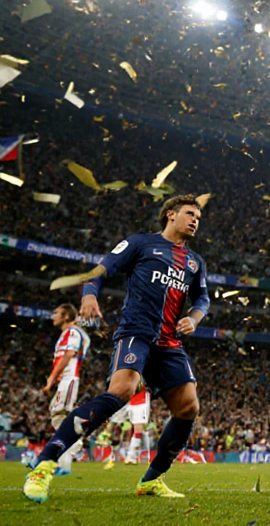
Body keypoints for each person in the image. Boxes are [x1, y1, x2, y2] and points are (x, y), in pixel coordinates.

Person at [23, 194, 210, 503]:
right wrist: (88, 296)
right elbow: (101, 269)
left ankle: (151, 480)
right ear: (171, 214)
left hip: (169, 342)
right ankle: (43, 466)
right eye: (190, 214)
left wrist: (194, 317)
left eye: (199, 218)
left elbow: (202, 298)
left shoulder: (194, 262)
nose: (195, 221)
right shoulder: (140, 244)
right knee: (122, 391)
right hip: (137, 332)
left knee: (189, 407)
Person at [40, 304, 89, 476]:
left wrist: (51, 380)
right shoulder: (65, 335)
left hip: (69, 380)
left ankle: (70, 453)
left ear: (66, 316)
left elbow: (69, 356)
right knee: (58, 417)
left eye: (56, 313)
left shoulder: (73, 333)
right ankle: (68, 454)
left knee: (61, 416)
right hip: (63, 381)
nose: (53, 316)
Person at [105, 386, 150, 469]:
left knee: (138, 430)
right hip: (125, 399)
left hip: (140, 400)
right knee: (112, 424)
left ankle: (131, 457)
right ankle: (110, 454)